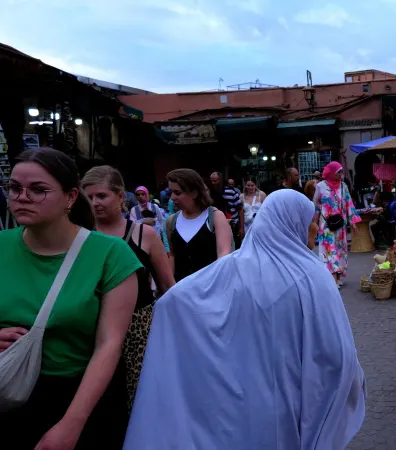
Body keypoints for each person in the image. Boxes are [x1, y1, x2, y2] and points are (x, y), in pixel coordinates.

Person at [123, 189, 366, 450]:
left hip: (250, 399)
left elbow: (178, 299)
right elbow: (335, 353)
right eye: (309, 220)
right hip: (295, 395)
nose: (315, 227)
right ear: (293, 222)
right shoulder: (312, 275)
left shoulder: (234, 267)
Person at [0, 148, 141, 449]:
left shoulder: (111, 254)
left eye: (38, 189)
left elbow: (109, 344)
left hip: (81, 399)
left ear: (71, 197)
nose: (22, 197)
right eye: (14, 187)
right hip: (7, 393)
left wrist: (71, 424)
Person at [81, 166, 175, 410]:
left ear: (120, 196)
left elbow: (167, 286)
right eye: (89, 197)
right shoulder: (81, 236)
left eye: (102, 196)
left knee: (142, 398)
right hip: (93, 328)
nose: (95, 203)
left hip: (140, 328)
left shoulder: (144, 234)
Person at [167, 169, 233, 282]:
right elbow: (172, 255)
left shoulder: (215, 217)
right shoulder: (171, 221)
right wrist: (170, 285)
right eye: (171, 192)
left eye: (177, 193)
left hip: (210, 286)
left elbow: (224, 256)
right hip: (182, 288)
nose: (172, 197)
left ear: (194, 193)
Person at [313, 162, 360, 287]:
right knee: (329, 250)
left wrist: (353, 223)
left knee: (340, 250)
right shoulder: (320, 186)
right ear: (331, 172)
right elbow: (316, 206)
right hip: (326, 225)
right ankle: (332, 279)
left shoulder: (343, 186)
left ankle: (337, 276)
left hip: (340, 225)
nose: (341, 174)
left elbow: (349, 203)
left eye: (341, 171)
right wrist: (314, 223)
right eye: (338, 172)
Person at [210, 171, 244, 247]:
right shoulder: (210, 193)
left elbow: (240, 210)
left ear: (220, 180)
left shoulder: (231, 192)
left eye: (215, 181)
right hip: (216, 226)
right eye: (211, 181)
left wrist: (241, 228)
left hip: (232, 225)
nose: (213, 183)